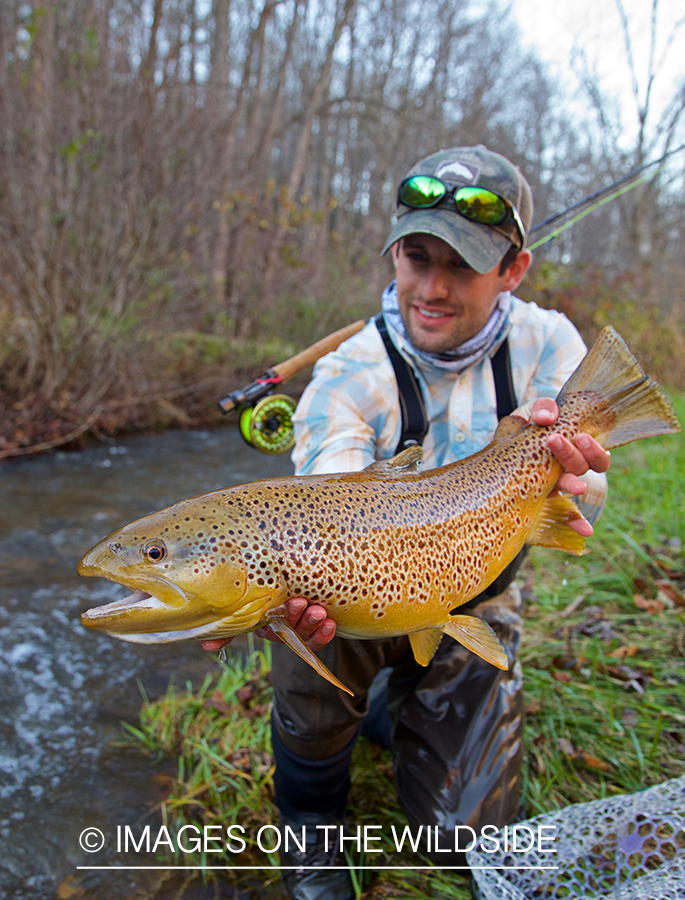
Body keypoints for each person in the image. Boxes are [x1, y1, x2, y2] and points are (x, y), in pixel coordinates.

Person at [203, 145, 610, 900]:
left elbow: (581, 498)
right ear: (394, 252)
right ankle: (311, 824)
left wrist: (577, 480)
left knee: (463, 842)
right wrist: (266, 581)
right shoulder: (351, 372)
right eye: (416, 257)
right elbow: (320, 505)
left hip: (476, 597)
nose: (432, 287)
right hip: (358, 594)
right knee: (302, 630)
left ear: (512, 270)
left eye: (461, 266)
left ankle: (396, 710)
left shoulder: (550, 346)